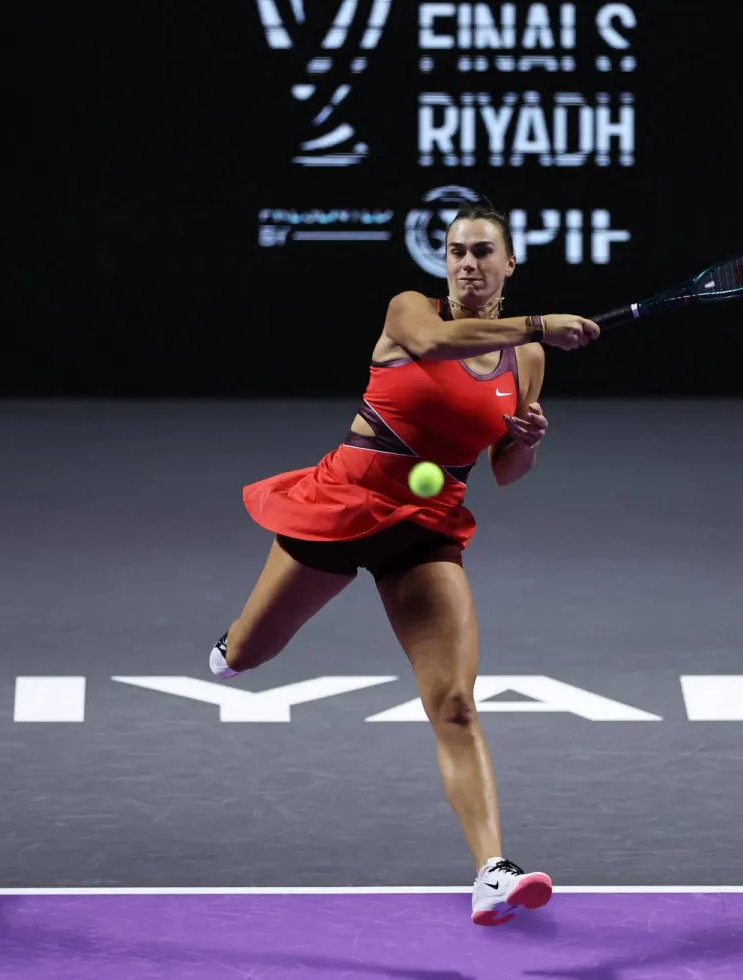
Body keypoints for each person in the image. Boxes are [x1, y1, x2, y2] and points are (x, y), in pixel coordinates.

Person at [207, 199, 601, 926]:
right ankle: (230, 646)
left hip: (425, 526)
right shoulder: (410, 311)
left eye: (483, 252)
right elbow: (439, 347)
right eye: (456, 251)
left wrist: (529, 440)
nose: (467, 264)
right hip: (342, 504)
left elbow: (506, 472)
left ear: (510, 263)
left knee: (452, 702)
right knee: (248, 655)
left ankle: (491, 871)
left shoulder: (528, 361)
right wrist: (543, 322)